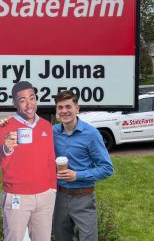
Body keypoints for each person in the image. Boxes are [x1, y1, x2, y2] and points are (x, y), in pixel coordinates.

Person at [0, 81, 56, 241]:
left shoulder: (46, 126)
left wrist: (52, 190)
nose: (29, 104)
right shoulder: (4, 127)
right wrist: (6, 148)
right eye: (22, 100)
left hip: (44, 197)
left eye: (32, 98)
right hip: (17, 197)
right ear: (14, 103)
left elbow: (50, 160)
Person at [53, 90, 114, 241]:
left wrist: (77, 175)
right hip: (58, 197)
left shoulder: (91, 134)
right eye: (60, 107)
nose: (64, 111)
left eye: (68, 106)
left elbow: (107, 168)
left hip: (83, 196)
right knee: (62, 237)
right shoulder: (52, 132)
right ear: (56, 110)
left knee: (89, 238)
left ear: (77, 109)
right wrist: (6, 126)